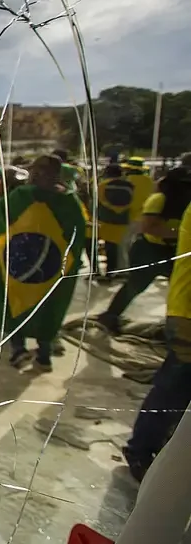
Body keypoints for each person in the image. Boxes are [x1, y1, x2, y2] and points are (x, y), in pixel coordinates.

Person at [0, 155, 85, 373]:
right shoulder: (69, 200)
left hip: (19, 265)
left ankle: (19, 350)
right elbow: (78, 233)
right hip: (51, 269)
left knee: (15, 304)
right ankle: (44, 356)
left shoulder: (19, 196)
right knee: (47, 307)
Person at [121, 199, 191, 482]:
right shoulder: (159, 198)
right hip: (187, 313)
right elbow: (152, 225)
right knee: (174, 387)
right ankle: (141, 451)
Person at [97, 167, 190, 333]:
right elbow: (148, 227)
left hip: (173, 251)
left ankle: (177, 326)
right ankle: (109, 317)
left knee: (180, 290)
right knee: (135, 285)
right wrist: (181, 233)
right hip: (149, 250)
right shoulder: (159, 199)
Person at [95, 164, 134, 280]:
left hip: (106, 220)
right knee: (118, 247)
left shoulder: (102, 185)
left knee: (107, 247)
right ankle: (115, 271)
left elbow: (99, 201)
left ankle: (107, 273)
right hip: (122, 220)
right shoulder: (130, 186)